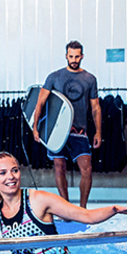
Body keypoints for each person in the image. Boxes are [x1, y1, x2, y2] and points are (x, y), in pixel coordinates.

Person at [30, 40, 103, 207]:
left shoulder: (90, 79)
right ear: (66, 56)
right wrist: (35, 127)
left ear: (82, 56)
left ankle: (82, 209)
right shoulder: (54, 77)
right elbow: (40, 103)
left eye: (77, 56)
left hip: (79, 131)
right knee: (59, 166)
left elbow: (96, 108)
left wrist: (98, 132)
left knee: (87, 169)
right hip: (56, 131)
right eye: (71, 56)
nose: (74, 59)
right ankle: (66, 207)